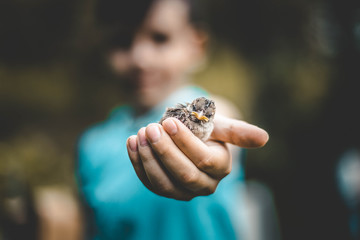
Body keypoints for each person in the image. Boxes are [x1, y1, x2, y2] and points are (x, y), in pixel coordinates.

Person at [76, 0, 269, 239]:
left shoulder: (204, 106)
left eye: (160, 38)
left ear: (197, 45)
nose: (140, 58)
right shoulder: (92, 145)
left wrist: (210, 146)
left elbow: (220, 122)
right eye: (122, 41)